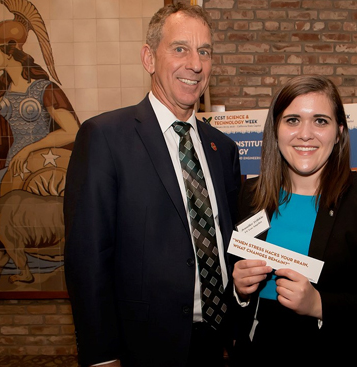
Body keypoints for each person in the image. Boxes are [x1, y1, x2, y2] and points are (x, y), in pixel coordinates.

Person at [64, 4, 241, 367]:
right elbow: (87, 258)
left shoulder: (222, 149)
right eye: (180, 49)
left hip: (216, 345)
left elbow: (229, 246)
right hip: (140, 351)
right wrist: (101, 356)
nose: (195, 64)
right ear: (148, 58)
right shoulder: (104, 138)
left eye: (204, 51)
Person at [231, 75, 357, 367]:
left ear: (339, 132)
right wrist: (240, 291)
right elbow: (234, 288)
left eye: (320, 121)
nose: (305, 134)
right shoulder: (252, 195)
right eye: (292, 120)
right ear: (275, 129)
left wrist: (319, 305)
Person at [0, 0, 80, 209]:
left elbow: (72, 132)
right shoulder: (3, 94)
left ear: (10, 50)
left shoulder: (44, 89)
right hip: (13, 169)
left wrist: (29, 149)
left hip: (41, 168)